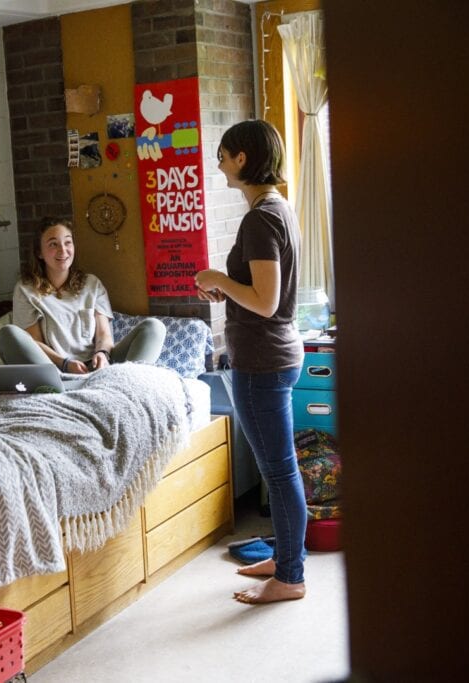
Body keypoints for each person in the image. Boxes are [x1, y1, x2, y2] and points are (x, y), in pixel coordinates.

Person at [194, 120, 306, 605]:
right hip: (272, 354)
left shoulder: (260, 218)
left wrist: (219, 274)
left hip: (263, 362)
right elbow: (264, 296)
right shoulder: (276, 208)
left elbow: (265, 300)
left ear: (242, 158)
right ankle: (285, 561)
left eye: (222, 155)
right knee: (278, 471)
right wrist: (226, 288)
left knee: (280, 474)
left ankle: (290, 578)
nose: (218, 164)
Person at [0, 217, 166, 373]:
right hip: (56, 369)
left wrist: (102, 354)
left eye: (68, 243)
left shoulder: (92, 284)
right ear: (39, 253)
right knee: (7, 334)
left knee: (154, 327)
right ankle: (58, 387)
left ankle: (125, 382)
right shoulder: (26, 290)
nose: (63, 250)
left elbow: (104, 335)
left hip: (99, 368)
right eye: (53, 244)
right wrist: (65, 364)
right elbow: (34, 344)